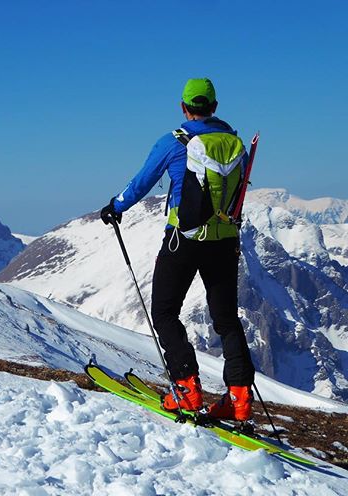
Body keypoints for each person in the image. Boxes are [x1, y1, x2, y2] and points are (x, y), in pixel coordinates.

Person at [100, 78, 255, 421]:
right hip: (224, 240)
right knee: (227, 320)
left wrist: (116, 207)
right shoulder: (235, 144)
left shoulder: (174, 142)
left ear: (183, 107)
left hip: (183, 239)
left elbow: (142, 181)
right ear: (214, 107)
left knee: (166, 312)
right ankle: (239, 400)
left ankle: (187, 389)